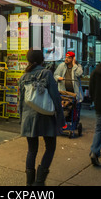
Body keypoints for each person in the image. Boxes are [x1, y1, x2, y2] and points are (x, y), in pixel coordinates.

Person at [18, 49, 65, 186]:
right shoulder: (46, 73)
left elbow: (20, 101)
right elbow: (56, 97)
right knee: (50, 147)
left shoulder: (23, 77)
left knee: (32, 150)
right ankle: (39, 183)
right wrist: (61, 118)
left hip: (28, 117)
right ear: (41, 60)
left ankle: (29, 183)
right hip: (46, 116)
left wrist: (22, 119)